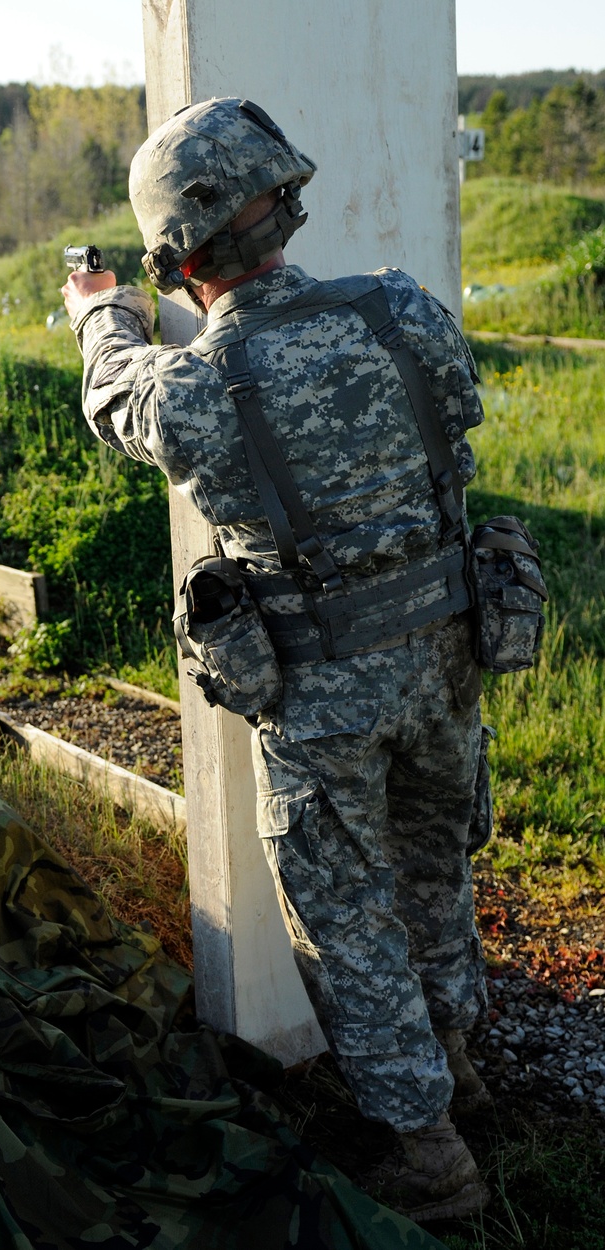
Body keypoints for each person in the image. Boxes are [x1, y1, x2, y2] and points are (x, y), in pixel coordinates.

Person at [61, 96, 494, 1225]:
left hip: (320, 691)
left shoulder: (194, 388)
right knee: (433, 861)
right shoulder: (406, 313)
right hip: (447, 650)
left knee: (345, 913)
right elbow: (455, 426)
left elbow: (117, 398)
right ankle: (457, 1058)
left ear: (176, 253)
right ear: (283, 198)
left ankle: (428, 1150)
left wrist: (100, 313)